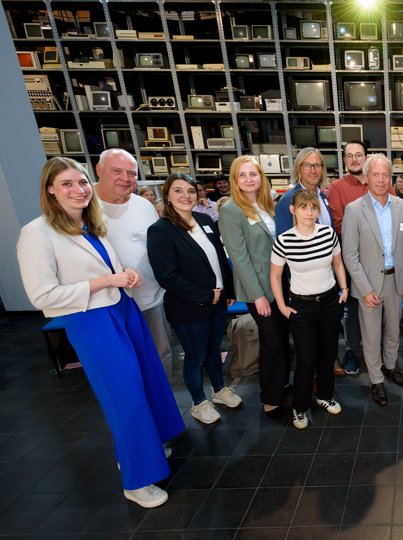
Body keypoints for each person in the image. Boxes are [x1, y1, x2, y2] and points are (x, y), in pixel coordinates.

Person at [17, 157, 184, 508]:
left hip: (124, 309)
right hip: (91, 321)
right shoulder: (36, 233)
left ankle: (147, 447)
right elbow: (42, 296)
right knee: (125, 397)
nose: (77, 190)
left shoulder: (92, 225)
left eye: (80, 183)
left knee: (149, 381)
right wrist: (107, 280)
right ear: (50, 189)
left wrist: (123, 272)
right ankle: (137, 482)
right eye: (66, 184)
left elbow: (103, 267)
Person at [147, 173, 243, 425]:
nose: (186, 196)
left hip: (217, 301)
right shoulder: (160, 231)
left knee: (214, 349)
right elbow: (166, 276)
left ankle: (219, 390)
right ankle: (199, 403)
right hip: (188, 306)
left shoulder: (203, 219)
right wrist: (204, 296)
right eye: (178, 191)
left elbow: (221, 258)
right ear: (167, 196)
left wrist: (229, 291)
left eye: (190, 191)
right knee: (195, 356)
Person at [342, 154, 403, 407]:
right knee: (372, 336)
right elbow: (350, 255)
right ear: (366, 177)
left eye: (385, 174)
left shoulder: (402, 207)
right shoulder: (354, 209)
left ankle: (391, 366)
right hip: (369, 286)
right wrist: (364, 290)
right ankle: (376, 379)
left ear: (392, 178)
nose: (381, 179)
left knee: (394, 331)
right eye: (375, 174)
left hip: (396, 281)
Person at [270, 189, 349, 429]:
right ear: (293, 210)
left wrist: (344, 289)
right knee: (306, 359)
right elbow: (275, 276)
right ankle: (299, 407)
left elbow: (337, 262)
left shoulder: (327, 234)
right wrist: (283, 306)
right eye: (303, 207)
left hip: (329, 303)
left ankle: (324, 395)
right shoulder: (284, 240)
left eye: (313, 207)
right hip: (302, 306)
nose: (309, 212)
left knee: (327, 354)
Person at [218, 156, 290, 419]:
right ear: (235, 180)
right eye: (242, 175)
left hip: (279, 282)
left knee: (281, 338)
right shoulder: (231, 210)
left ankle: (280, 384)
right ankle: (270, 399)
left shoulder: (266, 205)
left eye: (253, 174)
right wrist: (258, 296)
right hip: (258, 287)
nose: (249, 179)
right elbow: (239, 258)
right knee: (271, 341)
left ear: (261, 177)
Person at [95, 149, 173, 378]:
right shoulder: (86, 208)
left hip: (152, 297)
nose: (125, 178)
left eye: (131, 173)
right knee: (123, 362)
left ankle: (164, 408)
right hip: (110, 303)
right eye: (117, 171)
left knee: (161, 355)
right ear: (99, 171)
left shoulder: (144, 206)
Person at [327, 141, 373, 376]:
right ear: (344, 160)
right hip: (352, 260)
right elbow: (340, 225)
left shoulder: (379, 180)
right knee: (353, 310)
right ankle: (353, 351)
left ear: (366, 157)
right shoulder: (337, 187)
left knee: (379, 307)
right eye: (349, 156)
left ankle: (381, 353)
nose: (354, 159)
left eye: (359, 155)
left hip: (380, 262)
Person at [275, 148, 332, 235]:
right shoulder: (287, 200)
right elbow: (284, 239)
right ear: (299, 168)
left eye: (317, 165)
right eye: (307, 165)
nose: (313, 171)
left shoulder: (323, 197)